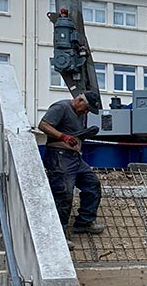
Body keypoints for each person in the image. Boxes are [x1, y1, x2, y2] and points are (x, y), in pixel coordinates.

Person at [38, 91, 105, 236]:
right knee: (64, 193)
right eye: (86, 108)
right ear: (79, 100)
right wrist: (63, 136)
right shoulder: (61, 107)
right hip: (58, 156)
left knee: (92, 183)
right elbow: (43, 125)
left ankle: (84, 222)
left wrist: (85, 134)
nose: (86, 112)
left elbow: (75, 133)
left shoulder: (82, 114)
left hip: (74, 157)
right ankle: (58, 233)